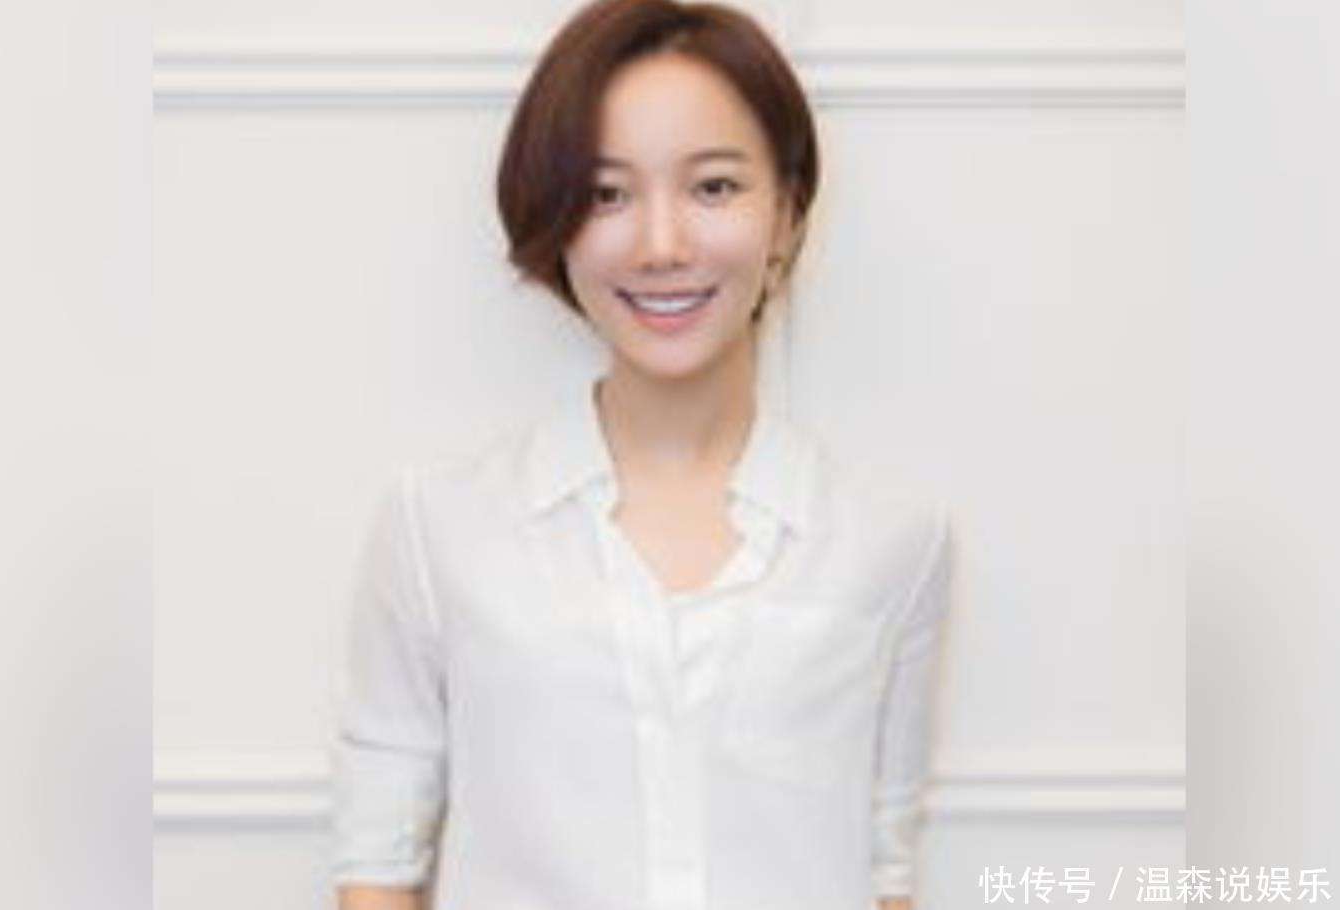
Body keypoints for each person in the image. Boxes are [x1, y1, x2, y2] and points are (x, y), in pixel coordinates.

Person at [331, 1, 951, 909]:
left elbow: (881, 865)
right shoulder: (436, 527)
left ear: (786, 213)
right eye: (606, 194)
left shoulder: (895, 539)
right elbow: (377, 862)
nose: (662, 247)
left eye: (713, 188)